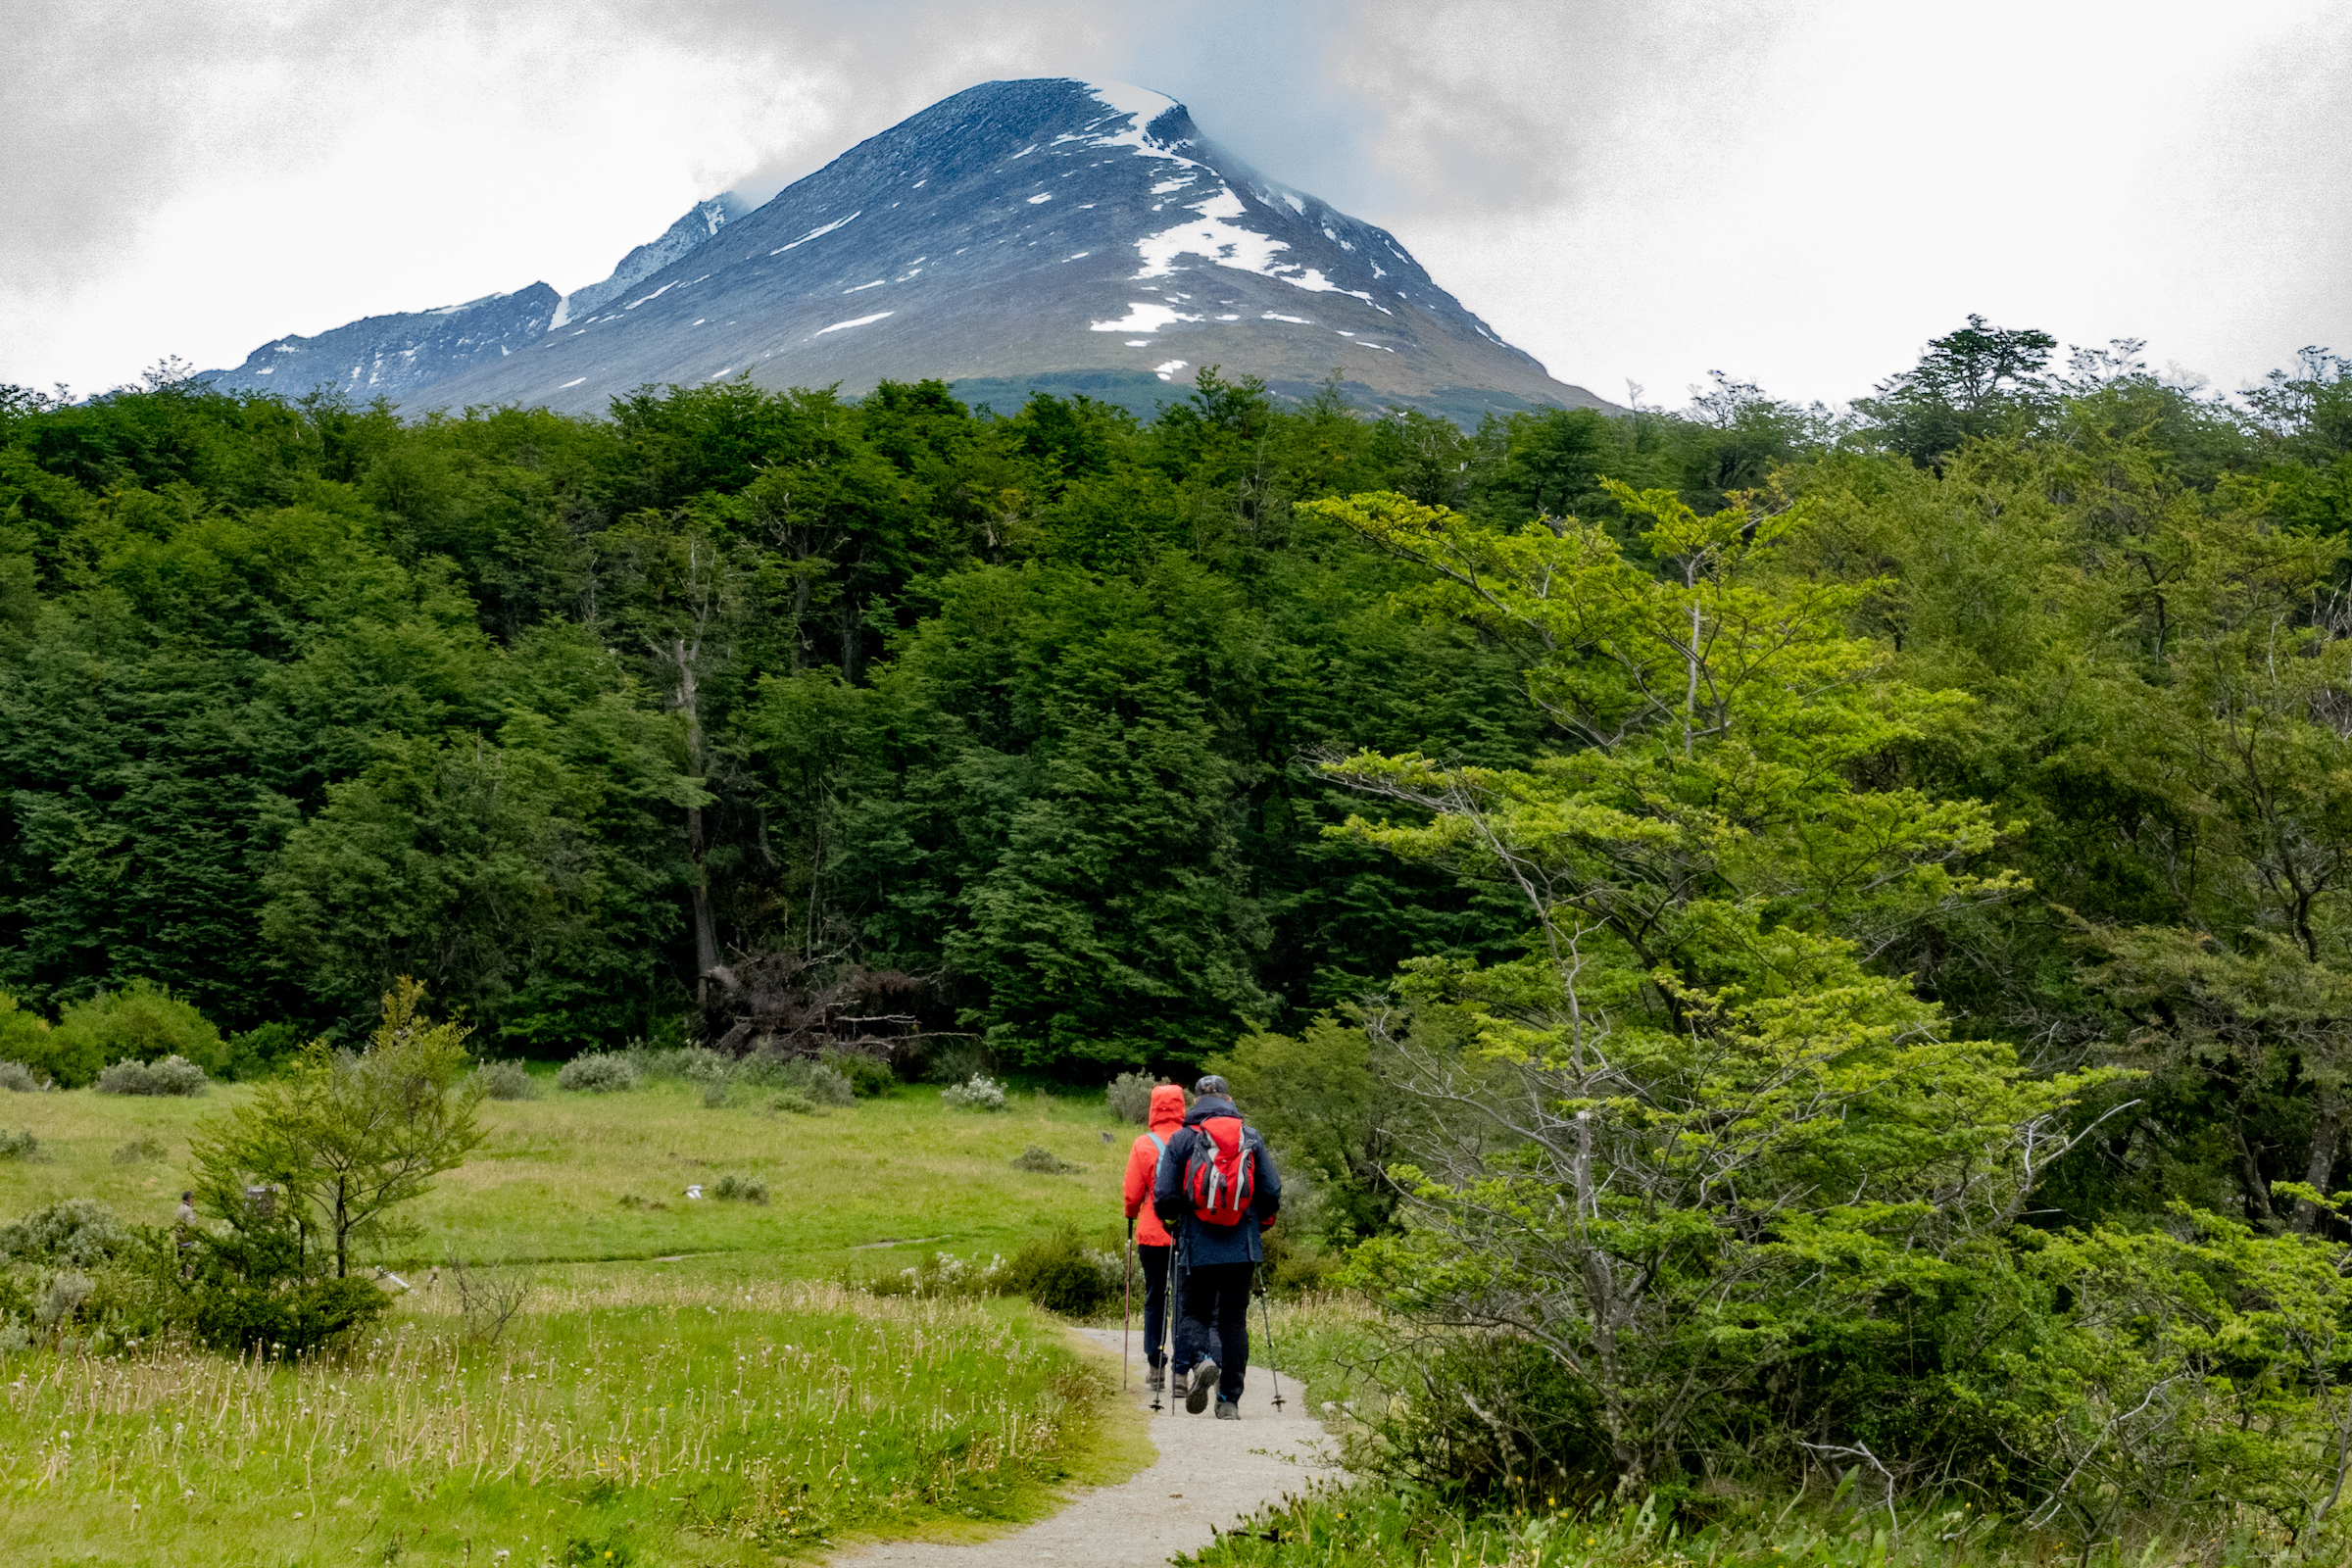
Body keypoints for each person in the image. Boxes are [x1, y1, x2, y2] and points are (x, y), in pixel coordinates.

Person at [1152, 1073, 1280, 1420]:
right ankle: (1228, 1401)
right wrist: (1260, 1223)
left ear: (1195, 1102)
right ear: (1228, 1099)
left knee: (1193, 1314)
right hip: (1242, 1247)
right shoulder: (1250, 1137)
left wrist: (1172, 1222)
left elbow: (1163, 1196)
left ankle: (1202, 1360)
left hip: (1198, 1245)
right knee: (1233, 1322)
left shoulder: (1181, 1139)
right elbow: (1272, 1191)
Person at [1121, 1083, 1188, 1391]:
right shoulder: (1193, 1139)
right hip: (1185, 1233)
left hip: (1151, 1234)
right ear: (1182, 1106)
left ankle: (1155, 1364)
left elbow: (1133, 1194)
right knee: (1185, 1302)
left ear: (1153, 1108)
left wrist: (1130, 1212)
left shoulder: (1142, 1144)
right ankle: (1181, 1371)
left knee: (1155, 1300)